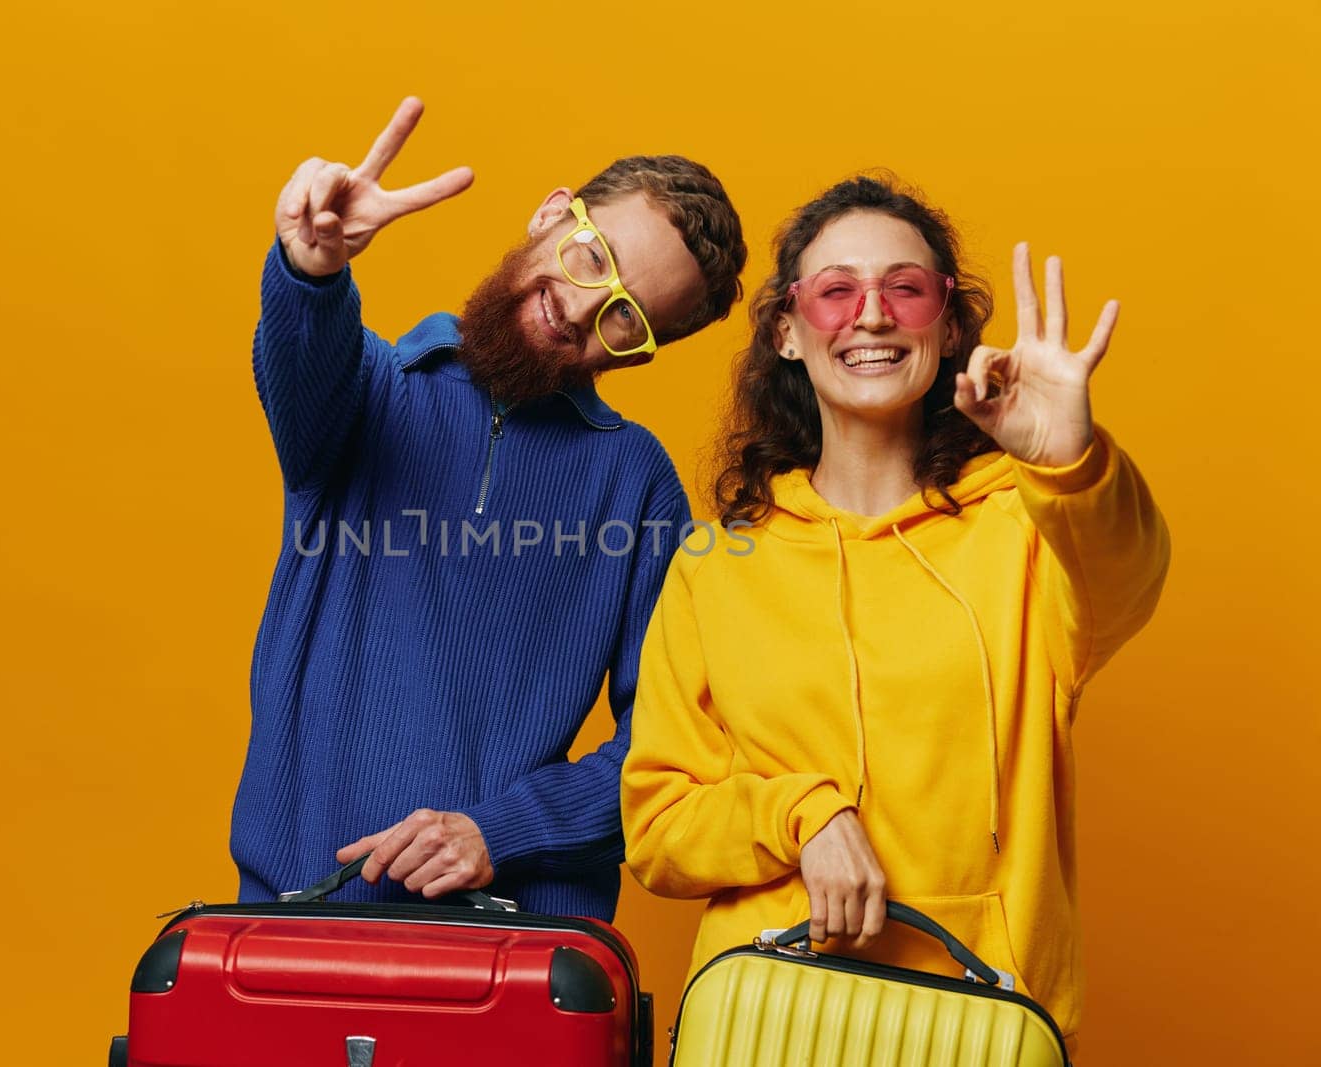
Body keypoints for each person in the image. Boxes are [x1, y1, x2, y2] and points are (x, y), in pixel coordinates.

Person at [621, 175, 1168, 1046]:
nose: (870, 315)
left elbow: (1128, 575)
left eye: (903, 289)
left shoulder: (1027, 526)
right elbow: (656, 825)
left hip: (979, 1019)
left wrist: (1067, 460)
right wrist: (803, 817)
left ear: (948, 327)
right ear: (788, 333)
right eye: (836, 291)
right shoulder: (713, 566)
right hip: (768, 1016)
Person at [233, 97, 748, 920]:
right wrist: (313, 270)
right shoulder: (368, 390)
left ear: (643, 350)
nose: (581, 309)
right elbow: (303, 361)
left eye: (626, 317)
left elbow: (672, 747)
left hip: (514, 946)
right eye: (592, 258)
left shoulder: (637, 483)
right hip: (297, 920)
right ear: (552, 213)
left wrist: (497, 831)